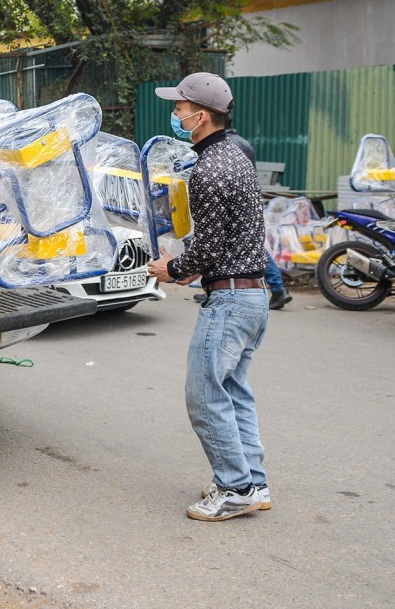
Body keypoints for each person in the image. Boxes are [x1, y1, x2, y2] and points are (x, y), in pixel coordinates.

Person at [148, 73, 272, 522]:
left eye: (179, 108)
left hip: (231, 301)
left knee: (203, 395)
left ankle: (235, 488)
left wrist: (172, 268)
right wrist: (193, 268)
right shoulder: (237, 154)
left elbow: (210, 247)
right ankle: (254, 483)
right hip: (253, 295)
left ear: (200, 117)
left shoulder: (209, 169)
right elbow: (229, 237)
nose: (175, 114)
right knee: (233, 392)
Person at [217, 126, 292, 310]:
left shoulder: (224, 144)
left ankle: (278, 288)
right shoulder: (244, 143)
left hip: (232, 204)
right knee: (250, 245)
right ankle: (278, 288)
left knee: (245, 246)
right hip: (248, 202)